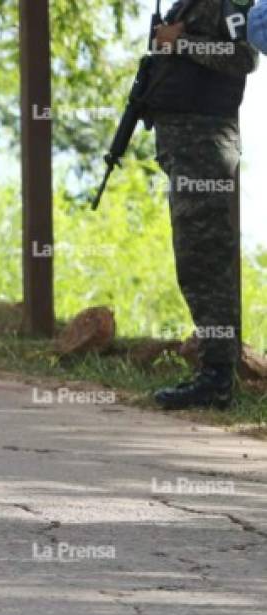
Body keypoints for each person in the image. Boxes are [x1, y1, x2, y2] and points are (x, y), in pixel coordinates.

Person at [148, 0, 257, 409]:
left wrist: (182, 43)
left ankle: (217, 377)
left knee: (205, 262)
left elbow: (243, 57)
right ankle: (213, 373)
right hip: (186, 150)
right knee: (194, 261)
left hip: (205, 150)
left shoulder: (231, 2)